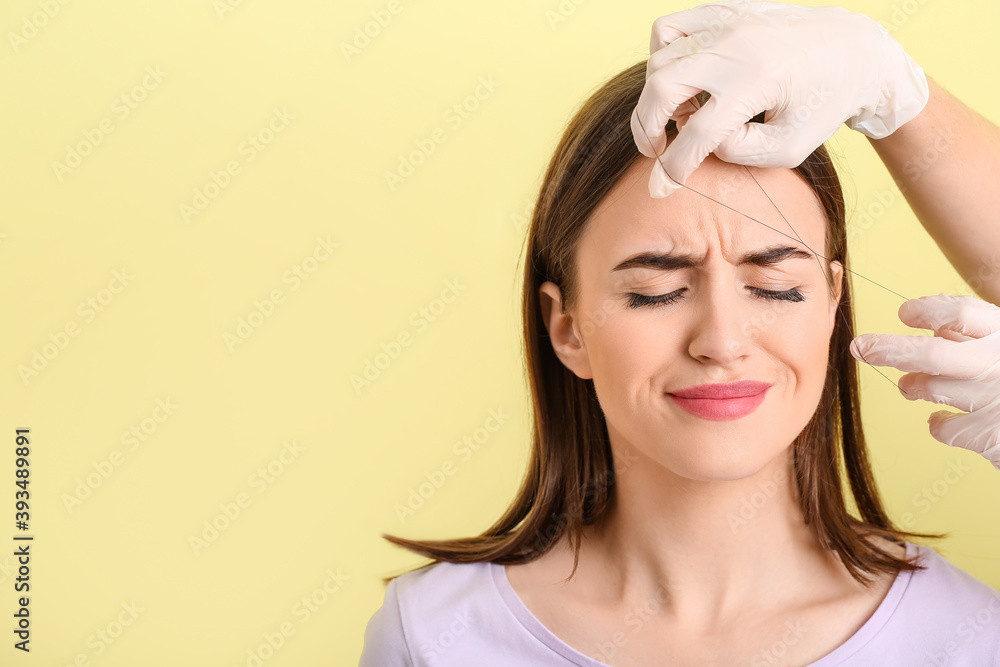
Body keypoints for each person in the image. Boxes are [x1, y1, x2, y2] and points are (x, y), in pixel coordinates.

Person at [359, 2, 1000, 665]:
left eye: (776, 287)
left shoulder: (967, 636)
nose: (721, 340)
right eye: (654, 292)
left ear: (833, 306)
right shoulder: (435, 634)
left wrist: (900, 94)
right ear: (567, 328)